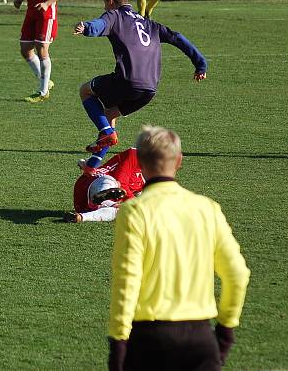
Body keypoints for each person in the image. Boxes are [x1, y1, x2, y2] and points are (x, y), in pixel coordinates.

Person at [107, 126, 250, 370]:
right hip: (200, 339)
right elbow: (237, 274)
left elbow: (127, 280)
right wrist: (225, 332)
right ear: (179, 161)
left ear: (139, 163)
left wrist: (119, 342)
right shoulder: (207, 208)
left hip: (149, 339)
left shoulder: (135, 212)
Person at [73, 0, 207, 168]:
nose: (105, 7)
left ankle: (105, 132)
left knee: (85, 91)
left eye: (105, 3)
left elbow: (100, 24)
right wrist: (200, 64)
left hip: (128, 81)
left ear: (110, 1)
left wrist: (86, 27)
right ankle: (93, 164)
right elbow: (177, 37)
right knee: (110, 113)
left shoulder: (114, 15)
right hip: (150, 89)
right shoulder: (148, 22)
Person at [13, 0, 67, 103]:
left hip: (46, 14)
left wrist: (47, 3)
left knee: (42, 48)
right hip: (31, 13)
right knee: (25, 49)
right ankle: (46, 80)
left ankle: (43, 91)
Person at [65, 148, 144, 223]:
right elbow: (121, 182)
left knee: (122, 211)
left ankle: (80, 217)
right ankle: (101, 197)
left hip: (85, 206)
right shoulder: (134, 154)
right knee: (114, 183)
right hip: (92, 182)